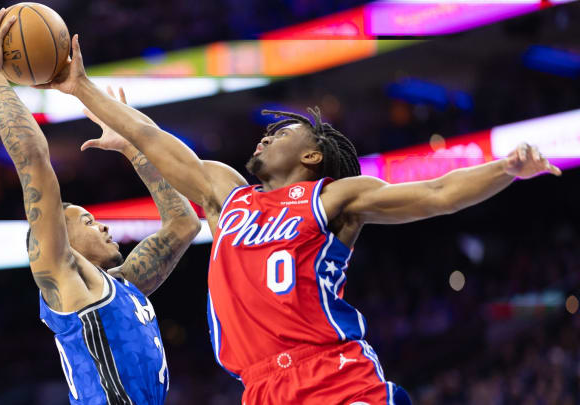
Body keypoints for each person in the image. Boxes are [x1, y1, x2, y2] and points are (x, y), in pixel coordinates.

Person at [37, 33, 562, 405]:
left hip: (335, 377)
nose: (265, 135)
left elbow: (438, 191)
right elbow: (152, 138)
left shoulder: (333, 199)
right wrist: (82, 87)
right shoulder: (226, 195)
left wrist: (506, 169)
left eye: (283, 133)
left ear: (312, 157)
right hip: (261, 389)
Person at [0, 10, 200, 405]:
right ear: (61, 238)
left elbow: (184, 224)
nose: (103, 227)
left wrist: (133, 147)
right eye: (87, 219)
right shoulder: (62, 278)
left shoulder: (125, 286)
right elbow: (32, 159)